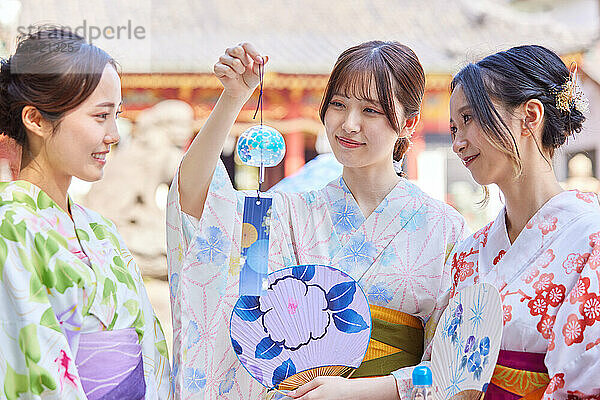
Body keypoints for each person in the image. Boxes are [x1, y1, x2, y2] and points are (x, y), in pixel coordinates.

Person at [166, 41, 467, 399]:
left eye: (371, 110)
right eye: (339, 105)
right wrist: (233, 98)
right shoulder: (284, 214)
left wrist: (372, 389)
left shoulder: (444, 228)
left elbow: (454, 366)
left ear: (409, 123)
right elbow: (198, 208)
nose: (349, 125)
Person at [0, 27, 171, 399]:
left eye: (117, 116)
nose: (114, 135)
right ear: (37, 119)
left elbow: (151, 349)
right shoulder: (9, 224)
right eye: (100, 116)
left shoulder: (100, 229)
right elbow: (32, 363)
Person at [447, 45, 600, 398]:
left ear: (530, 116)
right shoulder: (468, 254)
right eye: (454, 127)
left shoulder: (591, 238)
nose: (458, 142)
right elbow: (443, 369)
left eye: (469, 118)